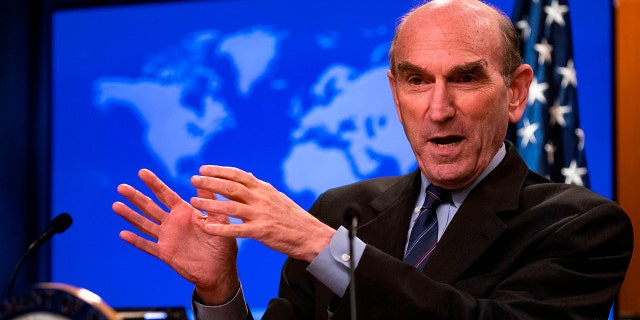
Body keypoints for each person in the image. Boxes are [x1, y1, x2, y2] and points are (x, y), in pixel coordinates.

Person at [112, 0, 633, 319]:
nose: (438, 108)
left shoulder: (580, 225)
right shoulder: (340, 210)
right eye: (416, 80)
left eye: (465, 78)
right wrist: (220, 289)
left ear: (516, 94)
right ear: (395, 92)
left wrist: (323, 247)